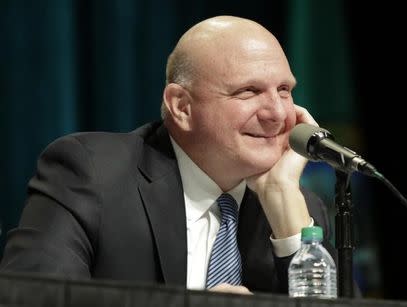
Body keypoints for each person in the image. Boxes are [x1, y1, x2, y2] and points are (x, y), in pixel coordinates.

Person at [0, 15, 333, 295]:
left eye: (285, 90)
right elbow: (34, 299)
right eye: (249, 91)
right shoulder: (92, 173)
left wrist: (282, 197)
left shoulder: (301, 207)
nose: (277, 113)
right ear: (182, 107)